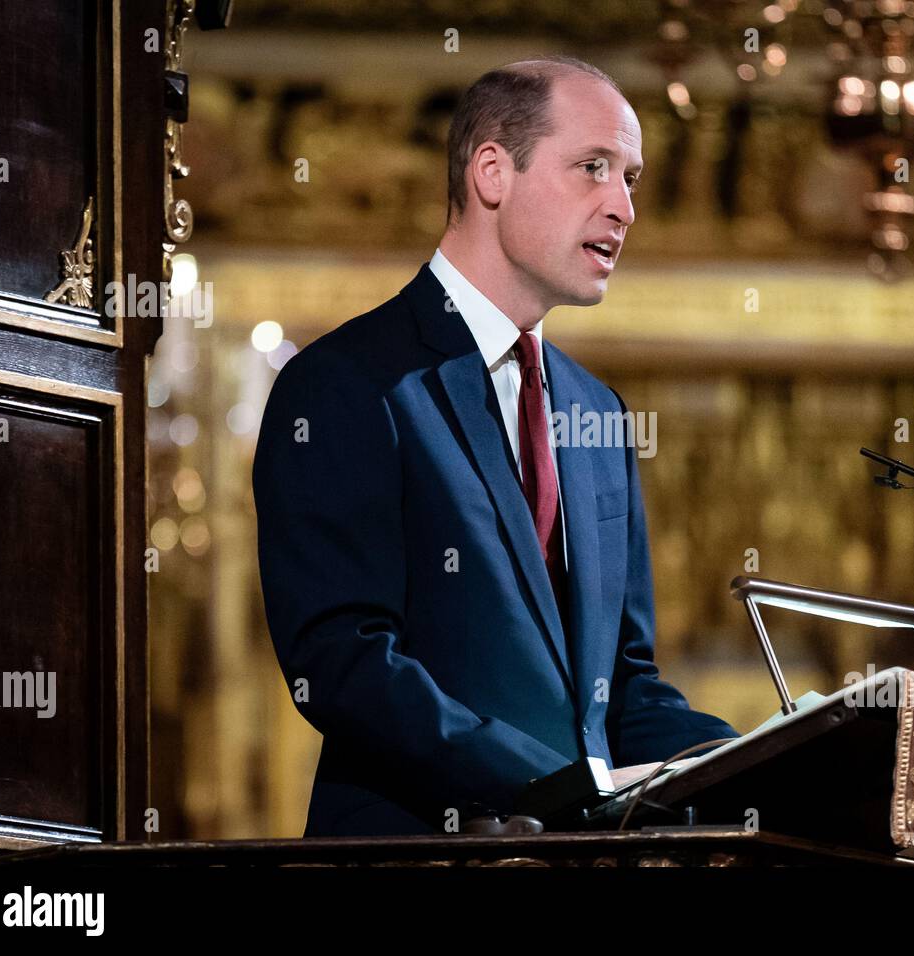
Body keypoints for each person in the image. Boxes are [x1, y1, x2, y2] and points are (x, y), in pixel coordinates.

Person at [252, 55, 738, 837]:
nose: (624, 208)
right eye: (593, 168)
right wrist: (552, 788)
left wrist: (755, 764)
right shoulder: (346, 384)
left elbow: (627, 686)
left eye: (632, 179)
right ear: (491, 173)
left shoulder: (598, 412)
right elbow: (341, 663)